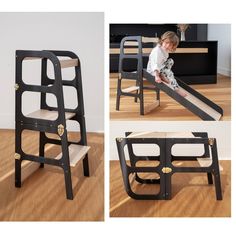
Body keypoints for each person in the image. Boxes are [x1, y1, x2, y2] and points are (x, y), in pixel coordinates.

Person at [147, 31, 187, 97]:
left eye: (170, 45)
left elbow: (163, 63)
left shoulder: (165, 52)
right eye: (166, 43)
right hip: (153, 71)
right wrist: (157, 76)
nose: (167, 46)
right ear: (162, 41)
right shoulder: (157, 51)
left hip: (161, 68)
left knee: (171, 61)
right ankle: (176, 89)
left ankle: (164, 75)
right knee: (169, 74)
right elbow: (155, 64)